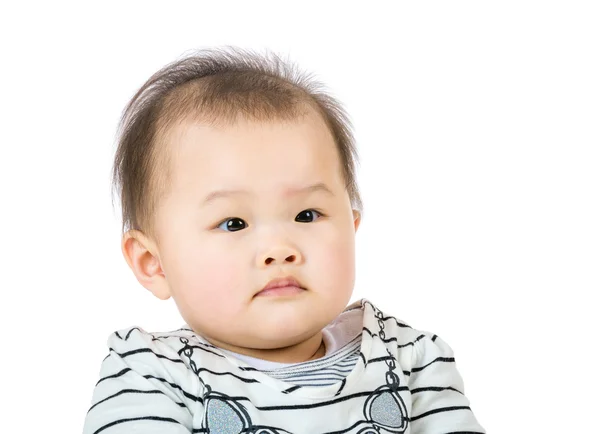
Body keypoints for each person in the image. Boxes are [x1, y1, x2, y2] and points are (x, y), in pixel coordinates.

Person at [83, 47, 485, 433]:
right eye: (234, 223)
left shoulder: (412, 360)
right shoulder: (152, 374)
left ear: (353, 227)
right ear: (153, 262)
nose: (280, 249)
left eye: (307, 215)